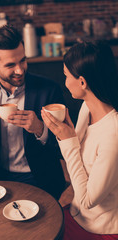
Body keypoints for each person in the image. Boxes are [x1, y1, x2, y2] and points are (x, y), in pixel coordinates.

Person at [0, 24, 67, 200]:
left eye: (22, 60)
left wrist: (41, 130)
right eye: (10, 65)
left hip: (40, 178)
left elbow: (65, 147)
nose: (20, 70)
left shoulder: (48, 89)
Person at [41, 40, 118, 239]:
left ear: (82, 82)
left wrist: (67, 142)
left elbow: (87, 200)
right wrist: (66, 135)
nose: (65, 82)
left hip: (101, 228)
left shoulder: (113, 134)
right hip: (79, 213)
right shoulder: (87, 107)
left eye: (66, 76)